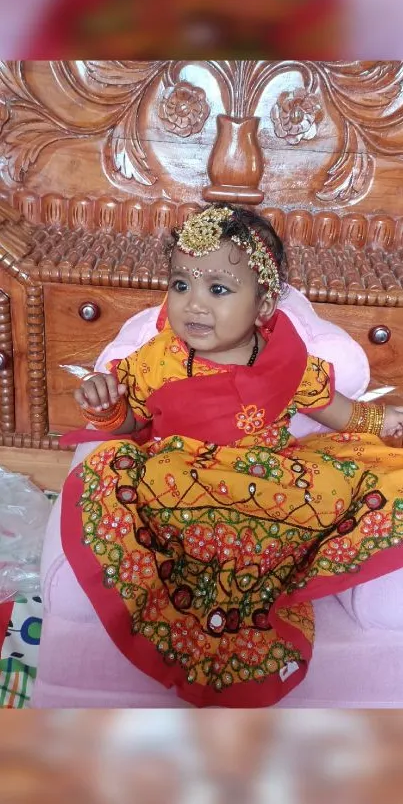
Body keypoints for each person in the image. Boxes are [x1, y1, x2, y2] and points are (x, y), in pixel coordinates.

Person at [61, 203, 403, 708]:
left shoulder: (287, 359)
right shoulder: (160, 356)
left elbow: (334, 410)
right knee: (110, 474)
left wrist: (386, 422)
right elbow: (133, 424)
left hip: (268, 479)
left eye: (218, 289)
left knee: (358, 481)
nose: (194, 305)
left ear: (264, 305)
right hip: (181, 477)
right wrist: (110, 409)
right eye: (181, 285)